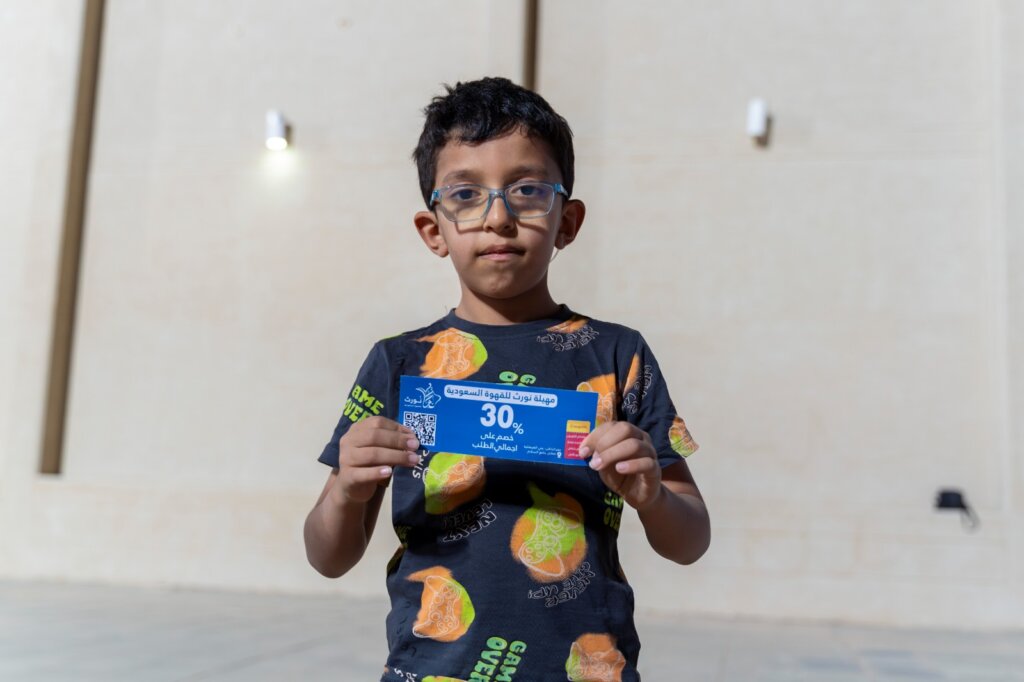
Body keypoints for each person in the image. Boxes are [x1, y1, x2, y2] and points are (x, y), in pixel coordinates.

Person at [303, 76, 710, 682]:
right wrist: (346, 488)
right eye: (466, 194)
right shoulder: (399, 363)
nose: (497, 217)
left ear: (567, 221)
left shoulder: (618, 355)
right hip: (430, 670)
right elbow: (327, 556)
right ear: (434, 230)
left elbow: (691, 540)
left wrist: (652, 494)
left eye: (526, 190)